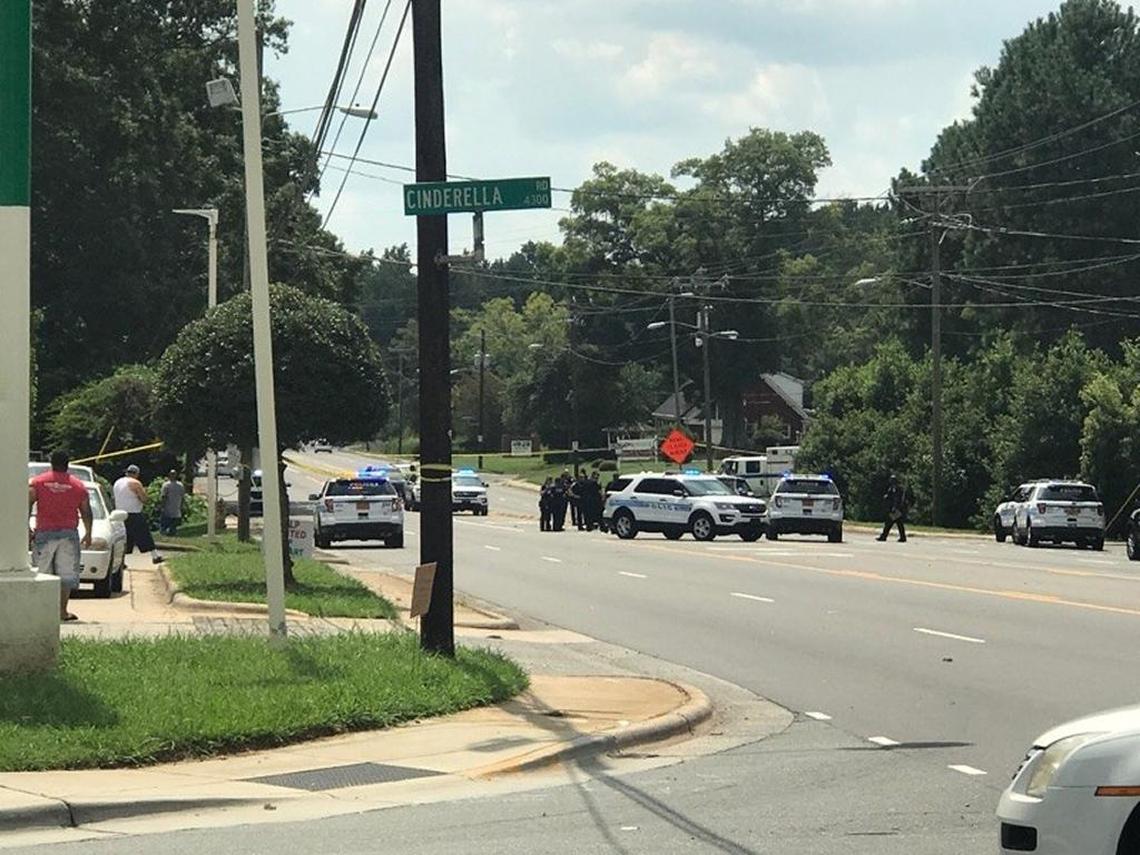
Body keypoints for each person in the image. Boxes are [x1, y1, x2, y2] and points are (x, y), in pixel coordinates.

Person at [28, 450, 92, 621]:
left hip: (44, 532)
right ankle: (62, 612)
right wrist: (88, 533)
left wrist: (27, 528)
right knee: (66, 575)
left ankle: (41, 613)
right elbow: (86, 511)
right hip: (68, 534)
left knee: (41, 573)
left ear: (51, 463)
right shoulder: (78, 485)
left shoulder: (39, 482)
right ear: (67, 464)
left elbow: (27, 503)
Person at [113, 464, 163, 563]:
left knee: (125, 538)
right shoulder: (135, 483)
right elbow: (144, 499)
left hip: (119, 514)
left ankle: (121, 562)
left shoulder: (117, 482)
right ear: (136, 474)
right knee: (145, 535)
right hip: (133, 513)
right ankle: (155, 556)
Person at [877, 474, 909, 543]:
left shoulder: (898, 489)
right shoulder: (892, 488)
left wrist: (895, 507)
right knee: (899, 524)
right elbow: (890, 496)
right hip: (894, 508)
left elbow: (897, 499)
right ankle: (902, 537)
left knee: (889, 523)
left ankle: (884, 536)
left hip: (897, 509)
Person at [158, 470, 185, 536]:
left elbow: (163, 496)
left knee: (166, 521)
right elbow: (183, 496)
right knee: (174, 522)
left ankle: (165, 532)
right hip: (176, 507)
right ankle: (172, 532)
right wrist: (182, 505)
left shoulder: (166, 485)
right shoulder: (180, 485)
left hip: (168, 507)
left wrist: (162, 506)